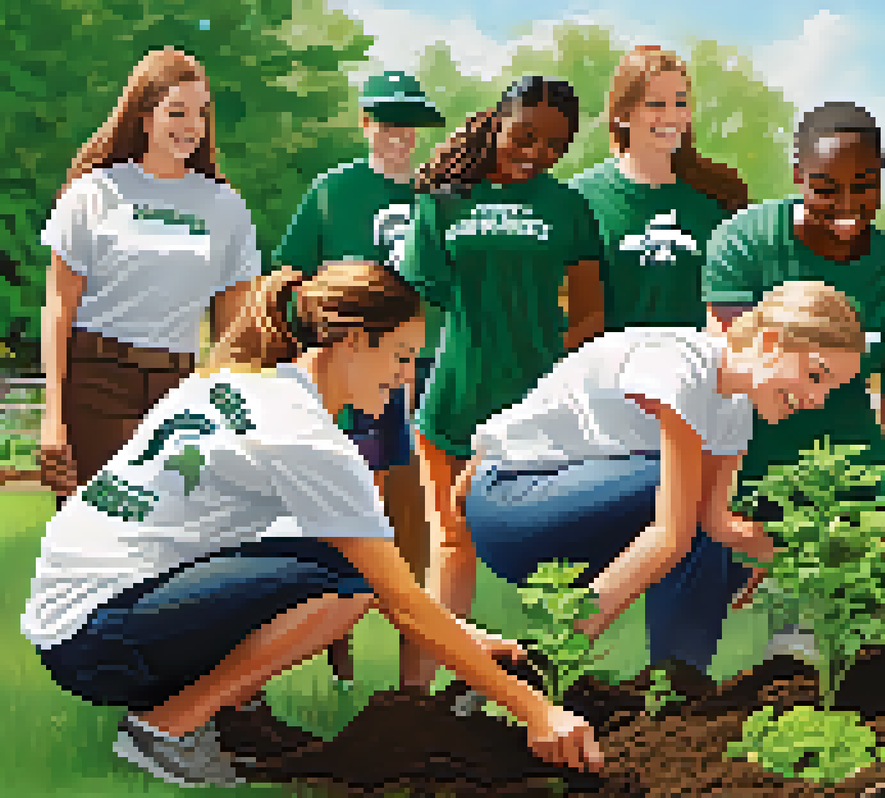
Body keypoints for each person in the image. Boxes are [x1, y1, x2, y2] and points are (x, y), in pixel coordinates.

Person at [20, 260, 601, 787]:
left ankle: (226, 715)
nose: (405, 379)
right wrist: (537, 711)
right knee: (347, 579)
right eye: (400, 357)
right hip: (99, 638)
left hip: (76, 618)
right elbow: (394, 594)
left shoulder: (233, 383)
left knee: (328, 556)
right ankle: (167, 730)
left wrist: (468, 641)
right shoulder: (308, 438)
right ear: (349, 341)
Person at [458, 280, 863, 675]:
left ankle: (676, 689)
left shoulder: (735, 412)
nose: (817, 399)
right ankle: (538, 664)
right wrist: (561, 647)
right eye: (816, 375)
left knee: (705, 527)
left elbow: (715, 521)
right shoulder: (679, 365)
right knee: (678, 496)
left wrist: (806, 567)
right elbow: (672, 531)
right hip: (514, 502)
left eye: (830, 389)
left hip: (577, 513)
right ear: (771, 343)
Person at [702, 102, 885, 636]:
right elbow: (731, 381)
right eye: (825, 187)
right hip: (746, 470)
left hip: (849, 482)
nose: (848, 204)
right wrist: (733, 518)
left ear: (882, 175)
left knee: (851, 652)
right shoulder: (745, 244)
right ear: (796, 177)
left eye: (864, 185)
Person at [399, 76, 604, 688]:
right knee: (453, 545)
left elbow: (592, 314)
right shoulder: (439, 202)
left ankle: (553, 688)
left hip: (541, 412)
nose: (536, 152)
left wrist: (549, 367)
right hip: (455, 400)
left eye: (554, 145)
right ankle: (420, 697)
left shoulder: (569, 208)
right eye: (525, 135)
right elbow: (416, 303)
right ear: (495, 123)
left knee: (552, 554)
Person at [269, 69, 445, 689]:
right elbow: (290, 278)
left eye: (410, 128)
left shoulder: (437, 196)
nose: (400, 137)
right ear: (366, 123)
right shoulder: (331, 192)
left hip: (418, 370)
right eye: (388, 124)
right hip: (349, 368)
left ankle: (414, 681)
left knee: (412, 513)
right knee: (336, 503)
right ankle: (335, 655)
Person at [39, 46, 260, 512]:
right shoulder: (93, 194)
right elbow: (59, 310)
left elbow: (235, 334)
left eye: (199, 113)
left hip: (179, 388)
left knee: (168, 538)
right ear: (143, 115)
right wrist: (53, 418)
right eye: (176, 111)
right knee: (95, 534)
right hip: (96, 382)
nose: (189, 126)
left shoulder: (226, 208)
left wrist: (233, 416)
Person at [571, 45, 749, 333]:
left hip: (698, 371)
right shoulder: (580, 197)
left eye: (680, 103)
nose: (672, 117)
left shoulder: (720, 195)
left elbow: (739, 300)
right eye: (656, 105)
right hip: (608, 372)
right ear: (623, 114)